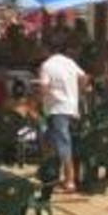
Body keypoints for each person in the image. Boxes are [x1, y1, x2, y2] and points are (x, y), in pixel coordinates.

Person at [38, 41, 89, 192]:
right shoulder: (70, 62)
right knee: (49, 140)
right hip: (71, 107)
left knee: (63, 143)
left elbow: (44, 88)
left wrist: (45, 95)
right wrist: (78, 92)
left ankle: (70, 179)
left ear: (47, 50)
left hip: (57, 109)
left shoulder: (46, 65)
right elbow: (85, 77)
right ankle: (52, 173)